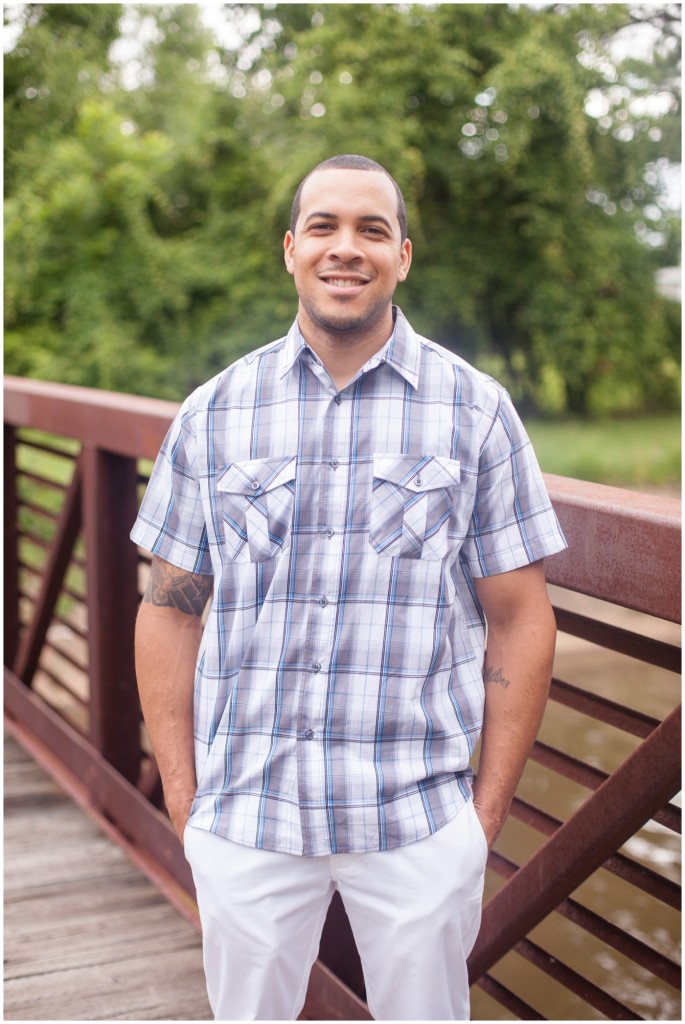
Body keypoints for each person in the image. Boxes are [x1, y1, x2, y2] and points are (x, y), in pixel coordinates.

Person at [131, 153, 567, 1021]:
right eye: (324, 226)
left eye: (372, 229)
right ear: (290, 249)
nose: (346, 247)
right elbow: (170, 613)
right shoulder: (214, 413)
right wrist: (185, 801)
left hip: (415, 819)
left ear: (403, 255)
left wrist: (479, 822)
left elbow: (520, 620)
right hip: (248, 817)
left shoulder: (473, 411)